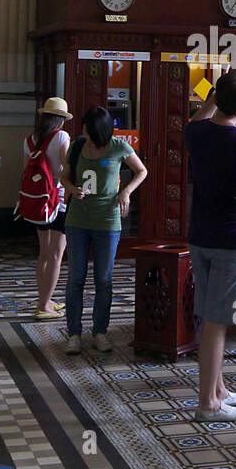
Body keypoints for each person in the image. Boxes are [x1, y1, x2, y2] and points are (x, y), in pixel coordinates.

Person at [184, 72, 236, 422]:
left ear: (216, 98)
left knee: (208, 315)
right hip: (231, 241)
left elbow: (198, 117)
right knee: (219, 322)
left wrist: (212, 98)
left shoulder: (196, 132)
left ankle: (218, 389)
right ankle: (208, 404)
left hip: (199, 236)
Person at [61, 106, 148, 354]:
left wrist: (126, 192)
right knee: (75, 278)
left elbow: (142, 171)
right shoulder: (78, 146)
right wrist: (72, 189)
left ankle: (100, 332)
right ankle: (74, 334)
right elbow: (64, 176)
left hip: (108, 222)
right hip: (77, 220)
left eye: (88, 130)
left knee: (103, 279)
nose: (84, 134)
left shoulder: (118, 146)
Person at [21, 97, 71, 319]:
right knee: (57, 254)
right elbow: (66, 170)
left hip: (38, 202)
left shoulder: (30, 139)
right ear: (61, 120)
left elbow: (26, 172)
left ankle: (45, 299)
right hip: (57, 201)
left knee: (44, 253)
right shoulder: (61, 136)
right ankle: (44, 306)